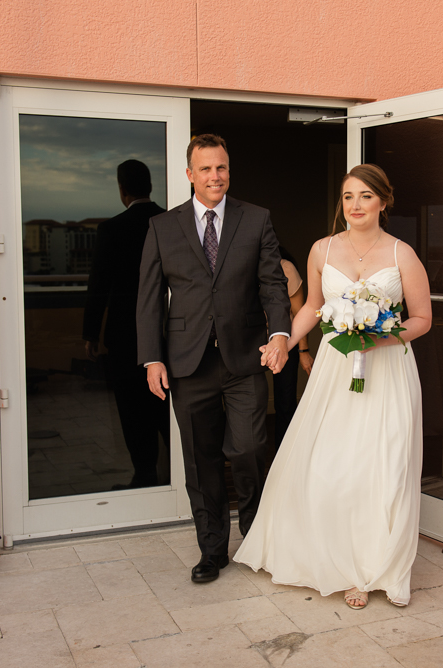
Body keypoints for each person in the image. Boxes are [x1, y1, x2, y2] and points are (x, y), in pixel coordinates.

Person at [234, 164, 432, 609]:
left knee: (383, 468)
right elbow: (315, 309)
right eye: (347, 197)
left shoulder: (403, 255)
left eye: (365, 196)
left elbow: (422, 318)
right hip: (335, 369)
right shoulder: (322, 250)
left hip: (387, 371)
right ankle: (337, 562)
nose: (355, 206)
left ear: (383, 201)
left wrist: (381, 335)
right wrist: (283, 340)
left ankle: (373, 569)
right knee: (330, 465)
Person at [136, 134, 291, 584]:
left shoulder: (256, 219)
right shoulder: (163, 227)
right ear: (189, 175)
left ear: (229, 170)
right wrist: (152, 358)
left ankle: (257, 536)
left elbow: (273, 284)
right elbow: (148, 299)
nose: (215, 176)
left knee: (248, 449)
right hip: (187, 363)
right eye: (205, 169)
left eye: (221, 167)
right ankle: (212, 550)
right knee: (200, 460)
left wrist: (279, 334)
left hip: (244, 357)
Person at [82, 159, 170, 489]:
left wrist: (90, 333)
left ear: (122, 189)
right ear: (149, 186)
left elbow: (98, 285)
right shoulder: (169, 222)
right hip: (168, 331)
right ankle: (178, 473)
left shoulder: (112, 229)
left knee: (132, 409)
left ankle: (145, 475)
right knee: (166, 406)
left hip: (124, 334)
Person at [272, 247, 314, 452]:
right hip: (250, 343)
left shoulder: (285, 267)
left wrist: (303, 351)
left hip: (285, 344)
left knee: (285, 402)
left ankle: (285, 454)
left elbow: (300, 312)